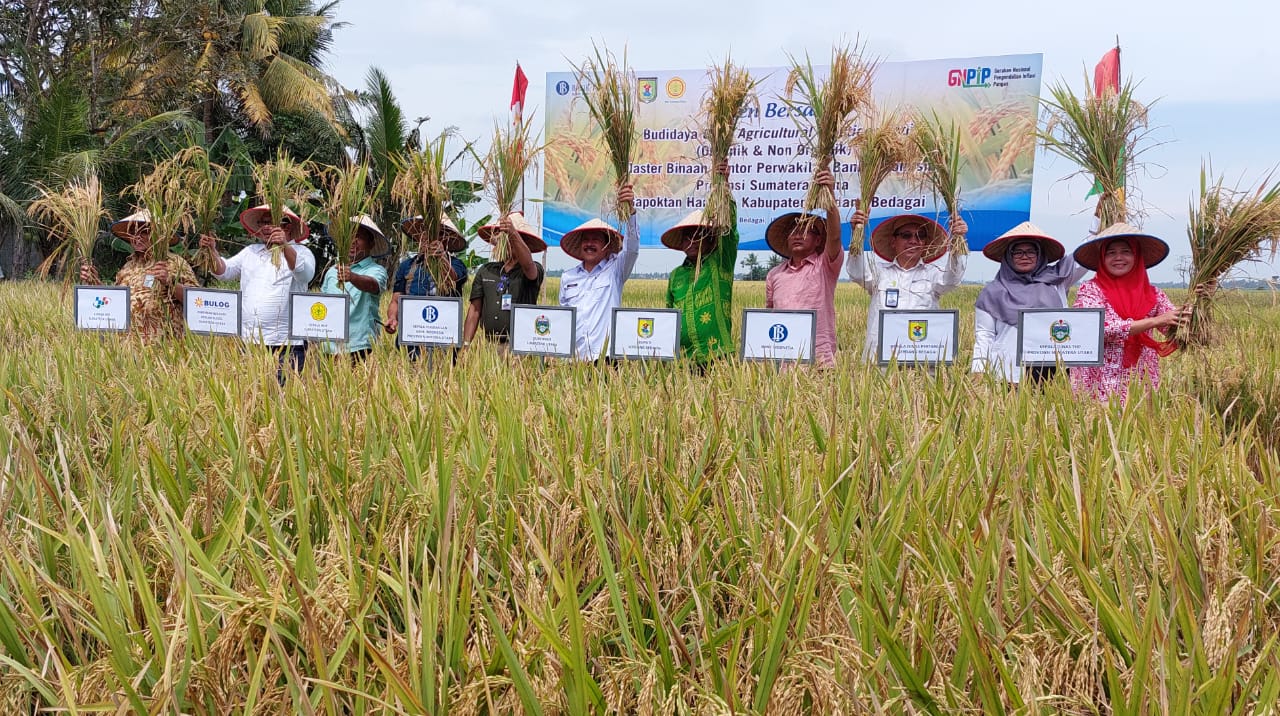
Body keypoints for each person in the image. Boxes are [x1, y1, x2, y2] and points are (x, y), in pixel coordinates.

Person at [1069, 223, 1189, 402]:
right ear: (1102, 258)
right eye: (1111, 253)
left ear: (1136, 256)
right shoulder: (1090, 290)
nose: (1118, 257)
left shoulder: (1154, 294)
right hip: (1099, 381)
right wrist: (1155, 321)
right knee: (1098, 427)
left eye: (1126, 251)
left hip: (1140, 380)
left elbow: (1175, 328)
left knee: (1140, 428)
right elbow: (1100, 327)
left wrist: (1195, 308)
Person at [199, 204, 316, 378]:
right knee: (250, 396)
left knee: (283, 397)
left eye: (271, 223)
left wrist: (283, 246)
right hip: (250, 341)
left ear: (287, 227)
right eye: (262, 223)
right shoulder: (250, 252)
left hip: (286, 344)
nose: (266, 228)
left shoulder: (302, 252)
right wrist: (212, 251)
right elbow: (224, 272)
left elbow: (304, 274)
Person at [971, 222, 1089, 384]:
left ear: (1040, 255)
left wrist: (1099, 224)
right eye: (1017, 252)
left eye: (1031, 251)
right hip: (1008, 373)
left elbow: (1083, 256)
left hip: (1053, 372)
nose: (1024, 256)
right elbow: (985, 335)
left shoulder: (1057, 280)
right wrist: (979, 368)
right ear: (1008, 256)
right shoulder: (992, 292)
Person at [845, 211, 968, 360]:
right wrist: (856, 233)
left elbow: (952, 279)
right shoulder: (879, 272)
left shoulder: (933, 274)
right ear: (893, 241)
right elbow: (857, 273)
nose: (914, 240)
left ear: (925, 243)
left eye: (920, 235)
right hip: (879, 361)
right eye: (906, 235)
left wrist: (957, 239)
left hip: (919, 361)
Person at [79, 209, 198, 341]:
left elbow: (197, 302)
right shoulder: (128, 266)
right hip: (127, 348)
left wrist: (170, 282)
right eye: (133, 232)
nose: (137, 236)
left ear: (158, 235)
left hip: (163, 347)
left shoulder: (174, 263)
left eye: (144, 232)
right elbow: (114, 303)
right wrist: (95, 283)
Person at [763, 170, 843, 366]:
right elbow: (769, 316)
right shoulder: (774, 275)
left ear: (818, 240)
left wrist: (830, 196)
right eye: (793, 231)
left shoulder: (825, 266)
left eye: (806, 230)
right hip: (783, 358)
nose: (798, 235)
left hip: (819, 358)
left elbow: (834, 237)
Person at [663, 162, 738, 367]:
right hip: (684, 360)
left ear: (711, 239)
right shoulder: (676, 276)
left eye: (698, 236)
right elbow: (669, 317)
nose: (692, 241)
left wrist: (724, 187)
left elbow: (729, 231)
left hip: (718, 356)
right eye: (687, 238)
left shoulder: (721, 262)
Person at [558, 184, 639, 360]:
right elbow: (563, 319)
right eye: (585, 240)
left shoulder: (616, 270)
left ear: (607, 246)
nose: (589, 244)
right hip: (573, 359)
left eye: (595, 240)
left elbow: (631, 249)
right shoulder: (567, 277)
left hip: (605, 358)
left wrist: (631, 213)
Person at [386, 214, 470, 359]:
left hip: (444, 340)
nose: (427, 238)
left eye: (435, 234)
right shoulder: (407, 265)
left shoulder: (456, 264)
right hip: (411, 340)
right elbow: (396, 300)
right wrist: (393, 318)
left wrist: (441, 257)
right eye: (423, 233)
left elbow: (453, 278)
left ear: (445, 238)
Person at [462, 211, 546, 350]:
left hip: (520, 347)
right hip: (489, 345)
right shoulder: (486, 270)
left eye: (514, 239)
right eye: (505, 238)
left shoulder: (531, 269)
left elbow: (528, 266)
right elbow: (474, 310)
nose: (510, 242)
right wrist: (466, 344)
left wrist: (513, 233)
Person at [319, 215, 389, 362]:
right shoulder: (332, 271)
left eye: (359, 237)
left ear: (371, 243)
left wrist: (352, 277)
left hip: (359, 345)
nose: (353, 241)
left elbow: (372, 285)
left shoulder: (376, 270)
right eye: (348, 236)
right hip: (329, 345)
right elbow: (322, 303)